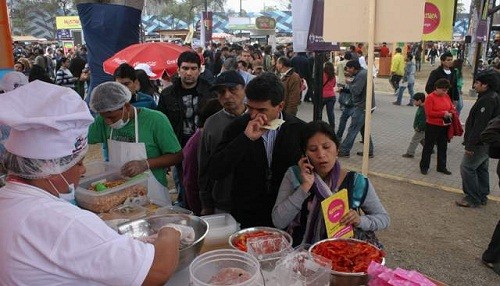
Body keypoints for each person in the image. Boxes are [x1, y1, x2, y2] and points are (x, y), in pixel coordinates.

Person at [0, 80, 192, 285]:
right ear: (51, 170)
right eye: (78, 163)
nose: (83, 170)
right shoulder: (64, 221)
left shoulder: (8, 199)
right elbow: (156, 272)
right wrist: (172, 229)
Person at [207, 73, 305, 228]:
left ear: (280, 106)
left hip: (286, 214)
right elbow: (216, 170)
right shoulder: (237, 127)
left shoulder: (298, 129)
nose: (253, 115)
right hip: (247, 215)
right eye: (250, 108)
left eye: (261, 110)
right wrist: (245, 139)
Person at [272, 121, 389, 246]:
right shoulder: (294, 175)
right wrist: (304, 187)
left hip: (341, 253)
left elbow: (383, 218)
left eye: (327, 147)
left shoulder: (356, 182)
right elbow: (279, 221)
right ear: (305, 155)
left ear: (337, 149)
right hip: (302, 254)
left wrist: (360, 220)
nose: (321, 155)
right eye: (313, 149)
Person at [88, 82, 182, 205]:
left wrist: (145, 164)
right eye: (103, 117)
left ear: (126, 106)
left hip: (152, 193)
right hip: (117, 193)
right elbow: (87, 147)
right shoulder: (101, 121)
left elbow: (177, 156)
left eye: (111, 117)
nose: (107, 121)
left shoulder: (155, 120)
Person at [157, 50, 214, 207]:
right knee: (183, 184)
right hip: (179, 147)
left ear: (199, 69)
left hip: (206, 146)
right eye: (185, 68)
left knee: (206, 184)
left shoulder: (210, 91)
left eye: (193, 68)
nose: (189, 73)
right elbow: (162, 125)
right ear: (178, 70)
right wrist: (164, 152)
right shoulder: (168, 94)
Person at [198, 71, 248, 216]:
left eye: (232, 90)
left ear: (244, 90)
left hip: (255, 201)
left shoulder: (257, 119)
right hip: (222, 202)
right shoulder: (211, 124)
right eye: (221, 92)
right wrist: (206, 203)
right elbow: (204, 165)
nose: (227, 96)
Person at [456, 71, 500, 208]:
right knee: (481, 168)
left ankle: (472, 197)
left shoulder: (488, 100)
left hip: (480, 143)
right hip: (486, 143)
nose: (474, 85)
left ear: (485, 85)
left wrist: (470, 145)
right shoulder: (491, 96)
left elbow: (480, 126)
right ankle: (482, 194)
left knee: (467, 167)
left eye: (477, 83)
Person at [182, 98, 222, 216]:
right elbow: (190, 183)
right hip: (204, 208)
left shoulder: (203, 137)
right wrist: (200, 210)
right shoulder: (198, 142)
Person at [338, 60, 375, 158]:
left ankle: (344, 150)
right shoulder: (362, 73)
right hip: (365, 105)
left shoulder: (362, 75)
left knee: (353, 128)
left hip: (363, 107)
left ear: (353, 68)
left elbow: (356, 90)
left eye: (348, 69)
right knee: (363, 129)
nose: (348, 71)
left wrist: (349, 83)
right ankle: (369, 151)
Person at [419, 79, 455, 175]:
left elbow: (451, 107)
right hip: (432, 125)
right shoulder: (430, 98)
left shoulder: (446, 96)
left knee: (443, 147)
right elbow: (429, 113)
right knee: (428, 147)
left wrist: (451, 112)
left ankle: (441, 166)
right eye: (443, 90)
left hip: (444, 125)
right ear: (437, 88)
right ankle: (424, 166)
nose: (445, 92)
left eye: (446, 90)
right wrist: (443, 113)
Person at [402, 93, 427, 158]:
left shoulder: (423, 109)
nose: (413, 102)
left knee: (414, 140)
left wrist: (419, 127)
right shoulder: (421, 107)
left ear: (419, 101)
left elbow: (423, 121)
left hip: (421, 129)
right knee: (421, 139)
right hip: (420, 128)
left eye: (414, 101)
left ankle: (410, 153)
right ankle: (430, 149)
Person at [322, 62, 336, 128]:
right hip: (332, 96)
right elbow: (333, 85)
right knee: (330, 113)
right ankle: (332, 126)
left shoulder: (322, 74)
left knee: (319, 111)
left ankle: (318, 125)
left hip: (323, 95)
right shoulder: (333, 75)